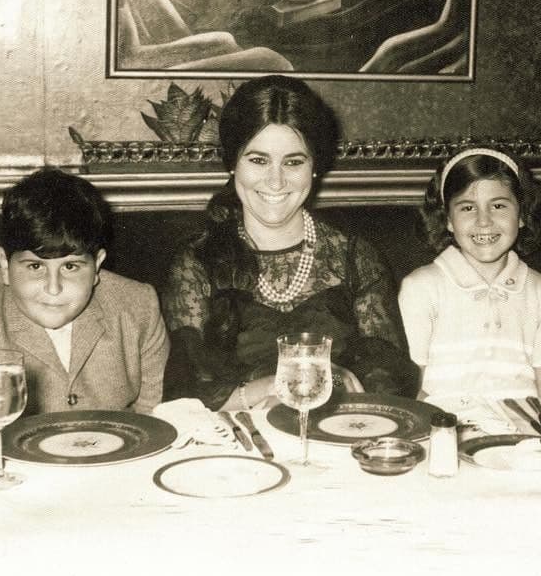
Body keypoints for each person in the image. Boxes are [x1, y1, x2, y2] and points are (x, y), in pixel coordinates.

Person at [161, 75, 419, 410]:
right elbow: (186, 390)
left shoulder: (355, 256)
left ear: (315, 166)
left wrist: (336, 380)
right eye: (258, 160)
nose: (276, 181)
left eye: (294, 162)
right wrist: (274, 385)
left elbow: (391, 375)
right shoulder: (196, 262)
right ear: (232, 164)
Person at [0, 168, 170, 426]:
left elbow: (160, 419)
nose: (53, 288)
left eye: (71, 266)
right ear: (4, 265)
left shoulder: (138, 306)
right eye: (35, 266)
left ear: (97, 266)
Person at [398, 147, 541, 400]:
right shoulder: (421, 288)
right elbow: (412, 389)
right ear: (448, 219)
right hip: (446, 429)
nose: (484, 221)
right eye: (467, 208)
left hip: (525, 431)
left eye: (498, 205)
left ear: (522, 215)